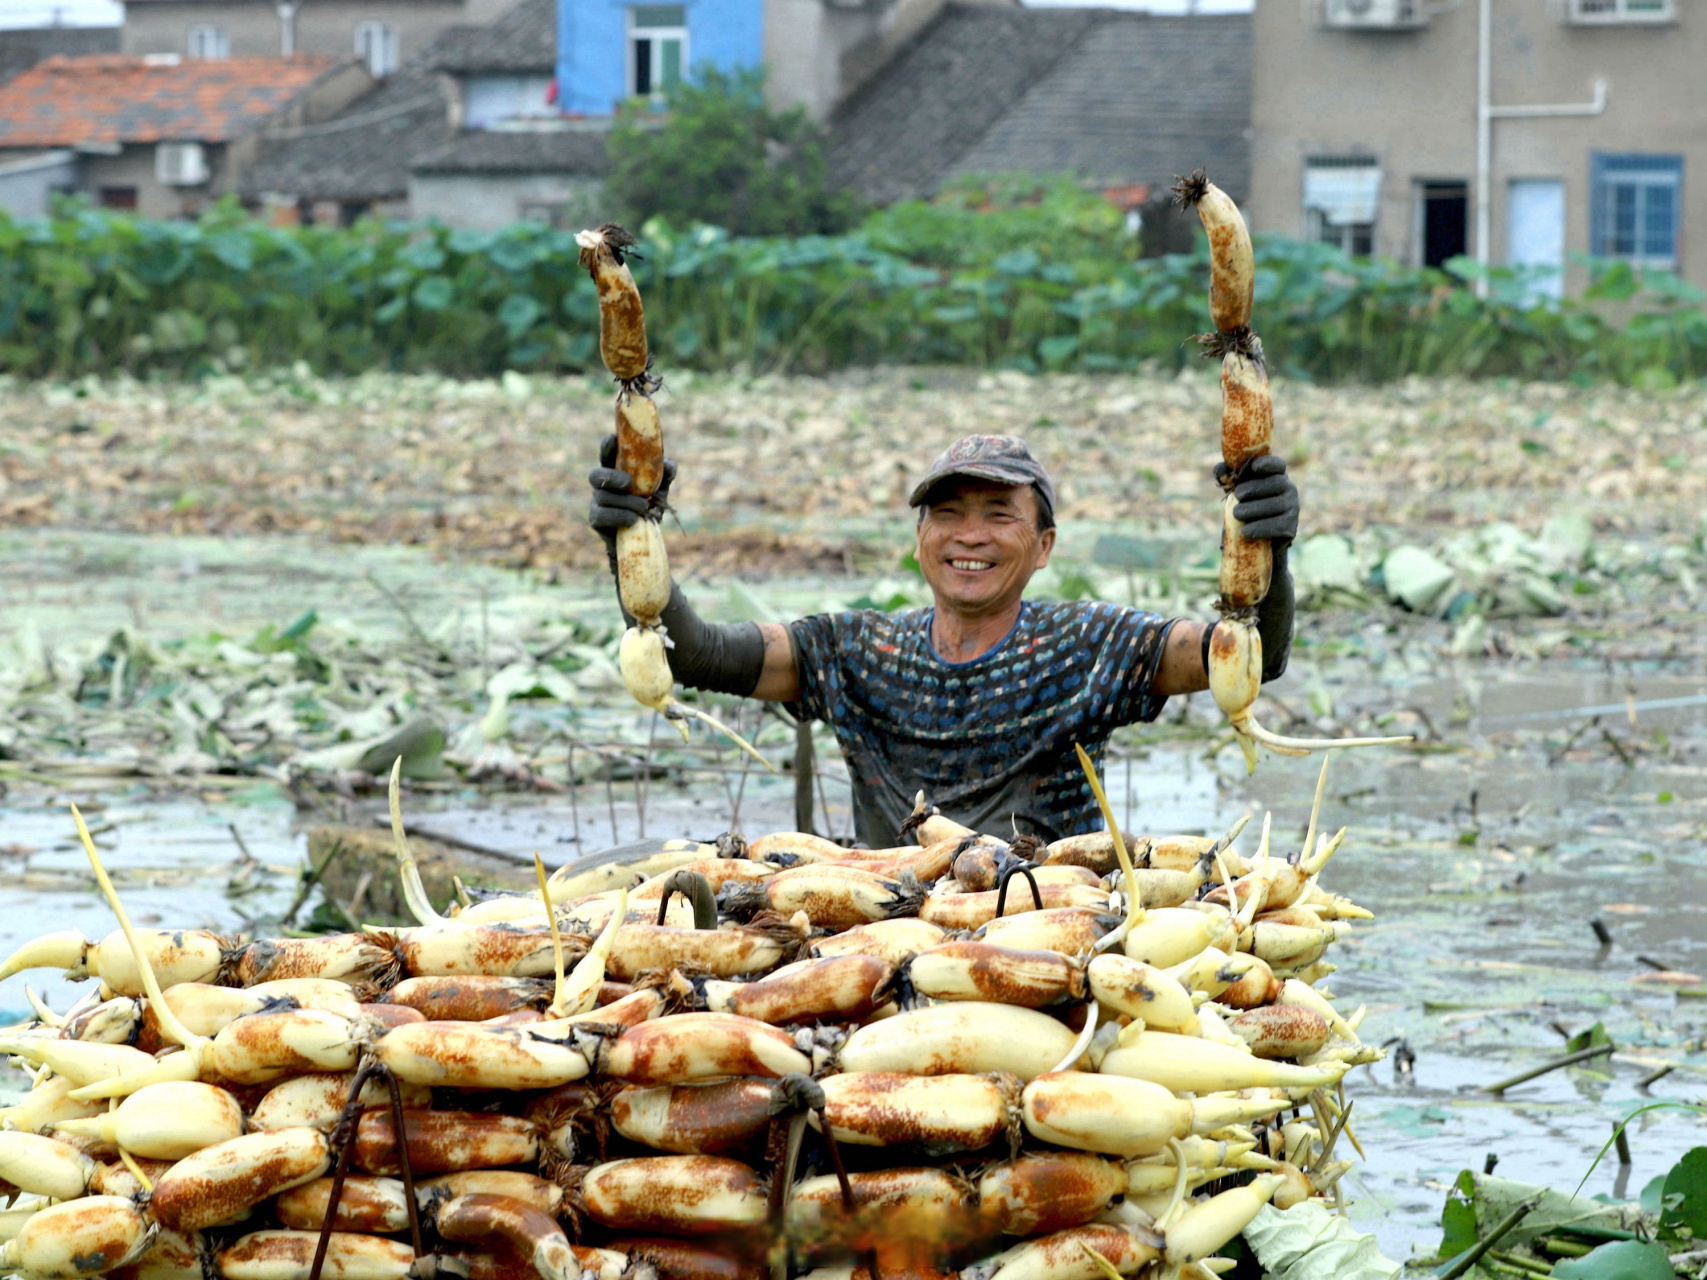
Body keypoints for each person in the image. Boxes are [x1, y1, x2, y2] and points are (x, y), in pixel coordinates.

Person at [589, 433, 1298, 846]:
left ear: (1043, 544)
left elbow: (1242, 657)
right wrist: (631, 533)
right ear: (920, 536)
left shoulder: (1089, 643)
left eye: (999, 514)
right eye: (948, 513)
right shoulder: (853, 650)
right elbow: (695, 654)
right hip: (886, 931)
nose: (969, 535)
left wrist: (1266, 549)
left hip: (1043, 926)